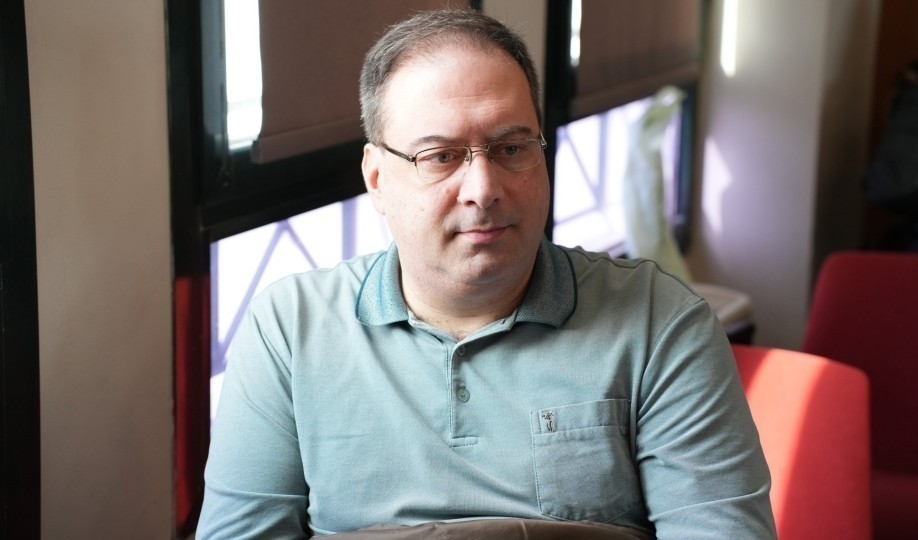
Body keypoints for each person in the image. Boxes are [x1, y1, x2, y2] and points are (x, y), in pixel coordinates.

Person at [197, 9, 775, 539]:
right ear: (377, 179)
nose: (483, 189)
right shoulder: (290, 330)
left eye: (511, 148)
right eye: (440, 156)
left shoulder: (660, 322)